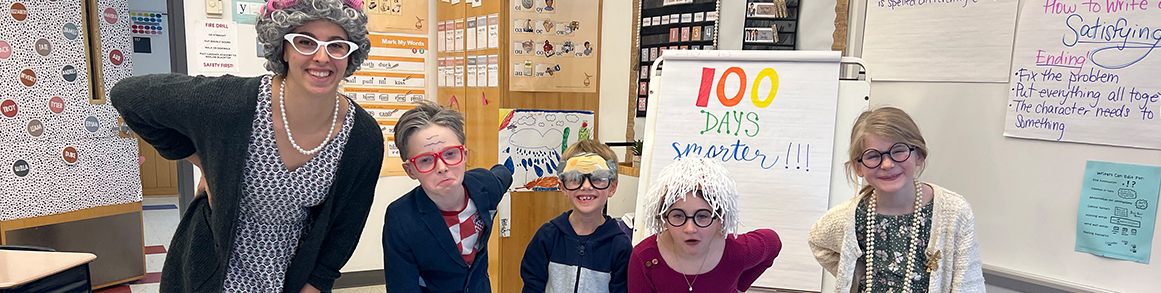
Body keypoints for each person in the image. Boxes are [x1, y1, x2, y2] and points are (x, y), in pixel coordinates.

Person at [110, 0, 381, 291]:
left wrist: (315, 283)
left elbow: (346, 226)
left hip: (290, 275)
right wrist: (203, 162)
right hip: (212, 271)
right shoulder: (232, 103)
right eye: (305, 41)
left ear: (351, 55)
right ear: (284, 48)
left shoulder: (362, 137)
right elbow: (130, 97)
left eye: (337, 45)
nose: (322, 57)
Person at [808, 107, 984, 293]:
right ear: (858, 167)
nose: (887, 164)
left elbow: (969, 285)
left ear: (919, 155)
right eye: (873, 156)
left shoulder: (955, 212)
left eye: (898, 151)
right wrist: (852, 273)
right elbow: (817, 239)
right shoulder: (853, 216)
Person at [384, 101, 514, 293]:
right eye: (426, 160)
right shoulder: (401, 218)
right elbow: (401, 286)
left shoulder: (486, 186)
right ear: (410, 170)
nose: (442, 167)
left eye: (451, 154)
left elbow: (503, 174)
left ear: (465, 155)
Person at [629, 157, 782, 293]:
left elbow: (773, 242)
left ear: (720, 218)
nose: (690, 229)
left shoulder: (737, 251)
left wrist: (741, 284)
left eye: (702, 216)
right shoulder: (646, 258)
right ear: (664, 218)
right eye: (678, 216)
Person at [520, 140, 633, 293]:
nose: (586, 186)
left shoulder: (620, 246)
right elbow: (532, 286)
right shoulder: (547, 237)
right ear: (563, 187)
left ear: (612, 187)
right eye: (575, 178)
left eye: (598, 178)